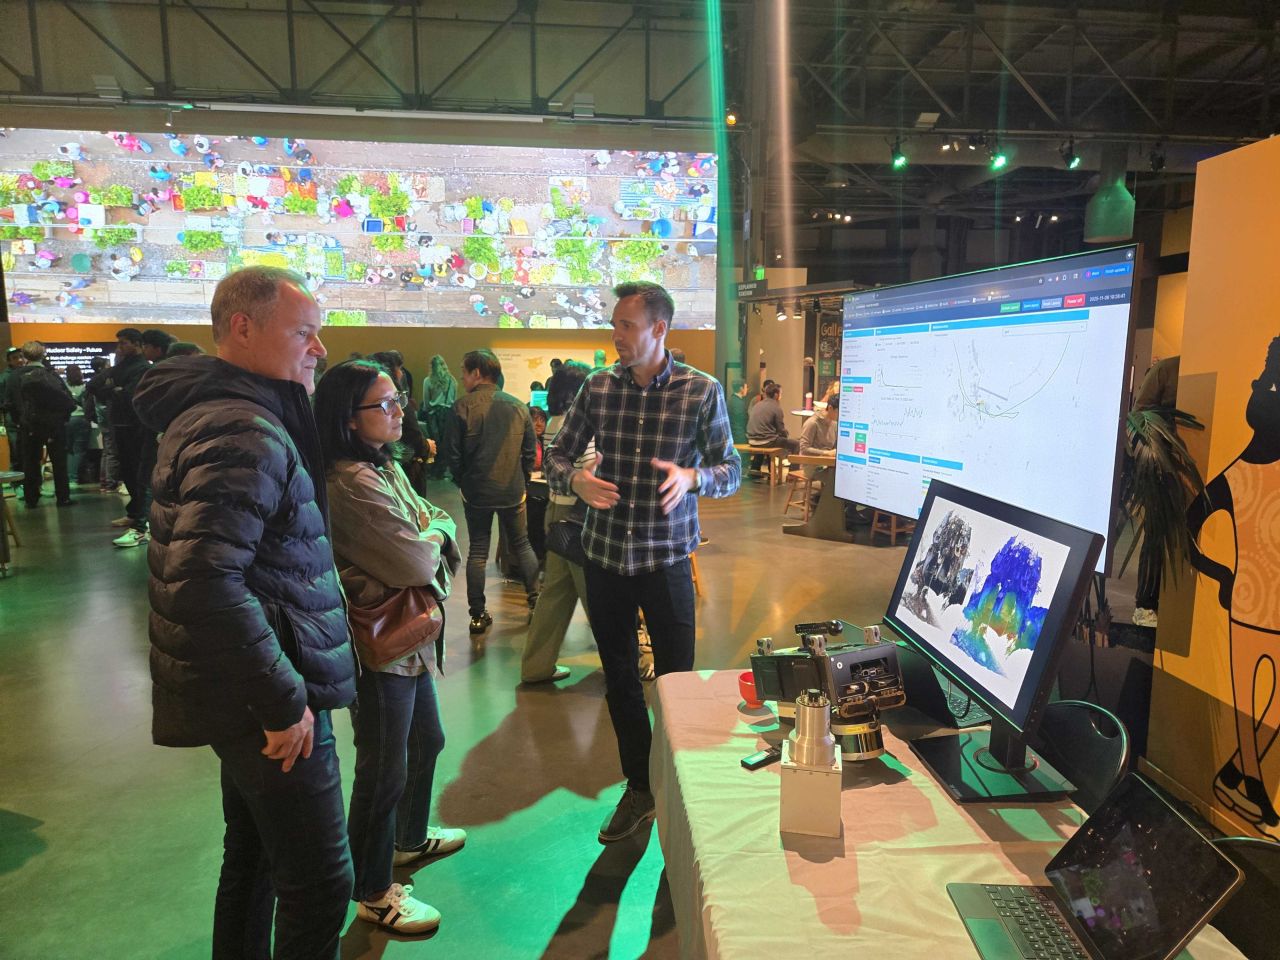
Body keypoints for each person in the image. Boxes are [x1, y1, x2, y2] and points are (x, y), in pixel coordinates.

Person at [132, 266, 356, 959]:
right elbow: (204, 580)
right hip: (266, 692)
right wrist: (284, 700)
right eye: (304, 332)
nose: (318, 349)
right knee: (320, 884)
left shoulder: (223, 412)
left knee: (255, 858)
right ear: (242, 328)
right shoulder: (242, 427)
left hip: (245, 685)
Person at [544, 282, 740, 843]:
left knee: (678, 685)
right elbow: (556, 455)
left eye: (627, 326)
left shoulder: (700, 391)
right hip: (604, 557)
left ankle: (681, 785)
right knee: (621, 682)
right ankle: (639, 787)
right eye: (615, 324)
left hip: (667, 560)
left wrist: (694, 477)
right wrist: (577, 480)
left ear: (659, 329)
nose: (616, 336)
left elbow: (731, 469)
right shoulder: (597, 388)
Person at [315, 360, 465, 935]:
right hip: (380, 643)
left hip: (409, 633)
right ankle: (374, 891)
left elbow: (433, 518)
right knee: (382, 768)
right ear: (349, 420)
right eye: (385, 404)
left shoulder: (382, 466)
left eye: (398, 399)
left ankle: (407, 839)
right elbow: (415, 559)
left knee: (427, 739)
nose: (399, 410)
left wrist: (431, 534)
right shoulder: (349, 482)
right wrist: (432, 539)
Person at [446, 349, 542, 635]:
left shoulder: (461, 407)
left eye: (464, 372)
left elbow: (452, 455)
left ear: (476, 373)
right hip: (513, 490)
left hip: (476, 492)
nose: (462, 379)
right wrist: (522, 480)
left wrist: (464, 481)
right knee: (522, 544)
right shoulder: (517, 406)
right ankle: (536, 603)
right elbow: (529, 452)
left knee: (478, 551)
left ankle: (477, 614)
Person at [522, 361, 594, 684]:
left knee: (554, 595)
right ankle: (627, 665)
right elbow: (591, 471)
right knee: (598, 596)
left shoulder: (553, 420)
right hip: (579, 517)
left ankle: (536, 666)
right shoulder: (579, 425)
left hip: (555, 513)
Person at [88, 329, 152, 546]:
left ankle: (143, 521)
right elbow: (94, 386)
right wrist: (114, 389)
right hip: (120, 424)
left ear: (137, 344)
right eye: (119, 344)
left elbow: (129, 395)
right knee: (127, 472)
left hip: (137, 426)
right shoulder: (120, 367)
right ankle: (135, 513)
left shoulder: (143, 367)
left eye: (124, 343)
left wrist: (115, 389)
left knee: (140, 474)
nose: (120, 348)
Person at [1131, 356, 1181, 628]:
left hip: (1197, 468)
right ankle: (1145, 604)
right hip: (1160, 470)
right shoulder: (1166, 370)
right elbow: (1138, 416)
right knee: (1155, 534)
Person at [7, 341, 75, 507]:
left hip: (28, 426)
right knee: (59, 463)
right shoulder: (51, 374)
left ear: (24, 356)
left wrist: (19, 421)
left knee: (30, 463)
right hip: (54, 426)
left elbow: (9, 403)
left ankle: (31, 498)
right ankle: (63, 497)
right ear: (43, 355)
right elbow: (66, 398)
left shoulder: (14, 377)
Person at [421, 355, 457, 479]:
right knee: (446, 442)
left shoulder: (428, 380)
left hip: (433, 415)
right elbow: (453, 399)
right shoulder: (452, 380)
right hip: (448, 414)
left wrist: (427, 411)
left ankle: (434, 470)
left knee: (434, 442)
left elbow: (426, 401)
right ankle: (443, 469)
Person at [747, 381, 799, 454]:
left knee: (780, 440)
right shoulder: (776, 407)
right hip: (766, 441)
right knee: (796, 444)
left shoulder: (757, 405)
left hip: (751, 440)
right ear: (776, 395)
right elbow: (781, 429)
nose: (781, 396)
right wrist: (786, 434)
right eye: (781, 394)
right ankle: (793, 465)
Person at [0, 348, 26, 476]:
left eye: (21, 356)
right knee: (17, 450)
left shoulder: (27, 374)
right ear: (9, 361)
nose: (20, 360)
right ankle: (18, 484)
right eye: (15, 358)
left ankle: (32, 483)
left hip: (27, 417)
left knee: (30, 451)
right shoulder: (4, 378)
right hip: (12, 419)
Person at [65, 364, 92, 484]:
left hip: (67, 419)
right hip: (81, 419)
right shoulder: (84, 387)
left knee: (70, 450)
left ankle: (70, 477)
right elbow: (86, 405)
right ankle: (74, 477)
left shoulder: (64, 387)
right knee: (79, 450)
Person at [727, 379, 749, 445]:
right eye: (746, 387)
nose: (747, 389)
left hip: (731, 433)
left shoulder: (730, 400)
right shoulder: (739, 403)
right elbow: (743, 419)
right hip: (739, 435)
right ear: (741, 388)